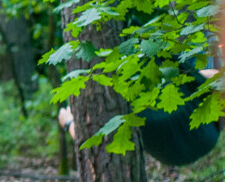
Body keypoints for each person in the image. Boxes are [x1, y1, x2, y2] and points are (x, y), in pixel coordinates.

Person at [58, 63, 221, 167]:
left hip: (177, 131)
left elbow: (93, 144)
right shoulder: (204, 138)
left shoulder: (119, 112)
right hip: (200, 132)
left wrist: (68, 122)